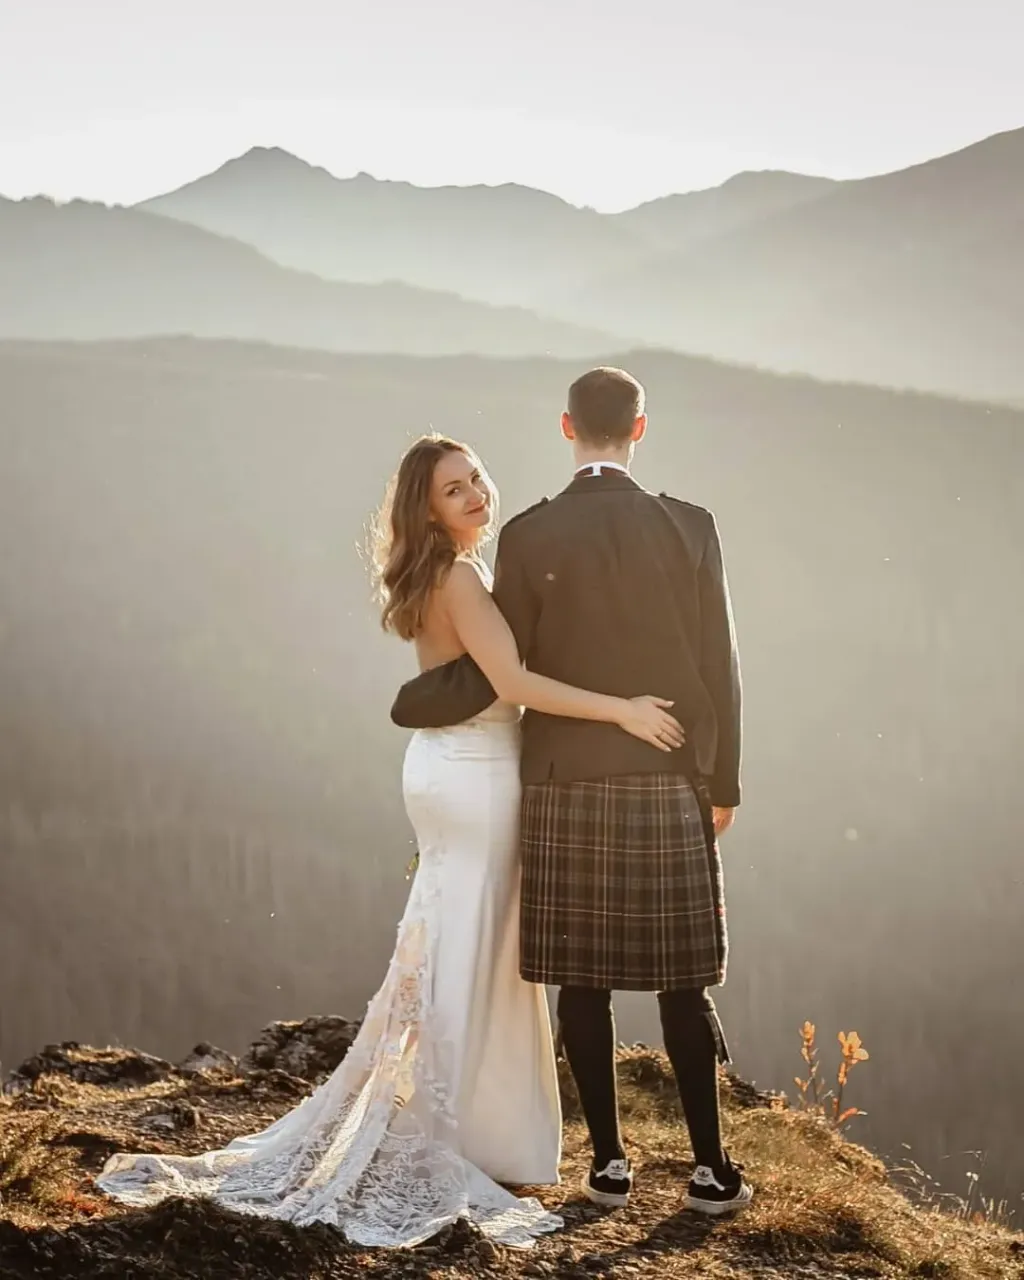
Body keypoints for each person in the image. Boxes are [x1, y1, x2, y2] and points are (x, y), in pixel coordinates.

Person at [95, 431, 686, 1249]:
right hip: (479, 771)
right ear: (428, 507)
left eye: (477, 477)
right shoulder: (462, 576)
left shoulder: (425, 574)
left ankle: (465, 1123)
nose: (478, 493)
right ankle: (466, 1136)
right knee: (480, 945)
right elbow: (512, 685)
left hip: (440, 768)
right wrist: (622, 707)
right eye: (455, 489)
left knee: (452, 935)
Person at [390, 366, 753, 1215]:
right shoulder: (691, 526)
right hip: (667, 775)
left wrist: (417, 700)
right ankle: (709, 1172)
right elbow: (720, 670)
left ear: (565, 429)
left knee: (582, 981)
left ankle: (610, 1167)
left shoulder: (528, 535)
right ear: (639, 427)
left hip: (559, 782)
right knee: (681, 982)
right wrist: (722, 780)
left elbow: (504, 668)